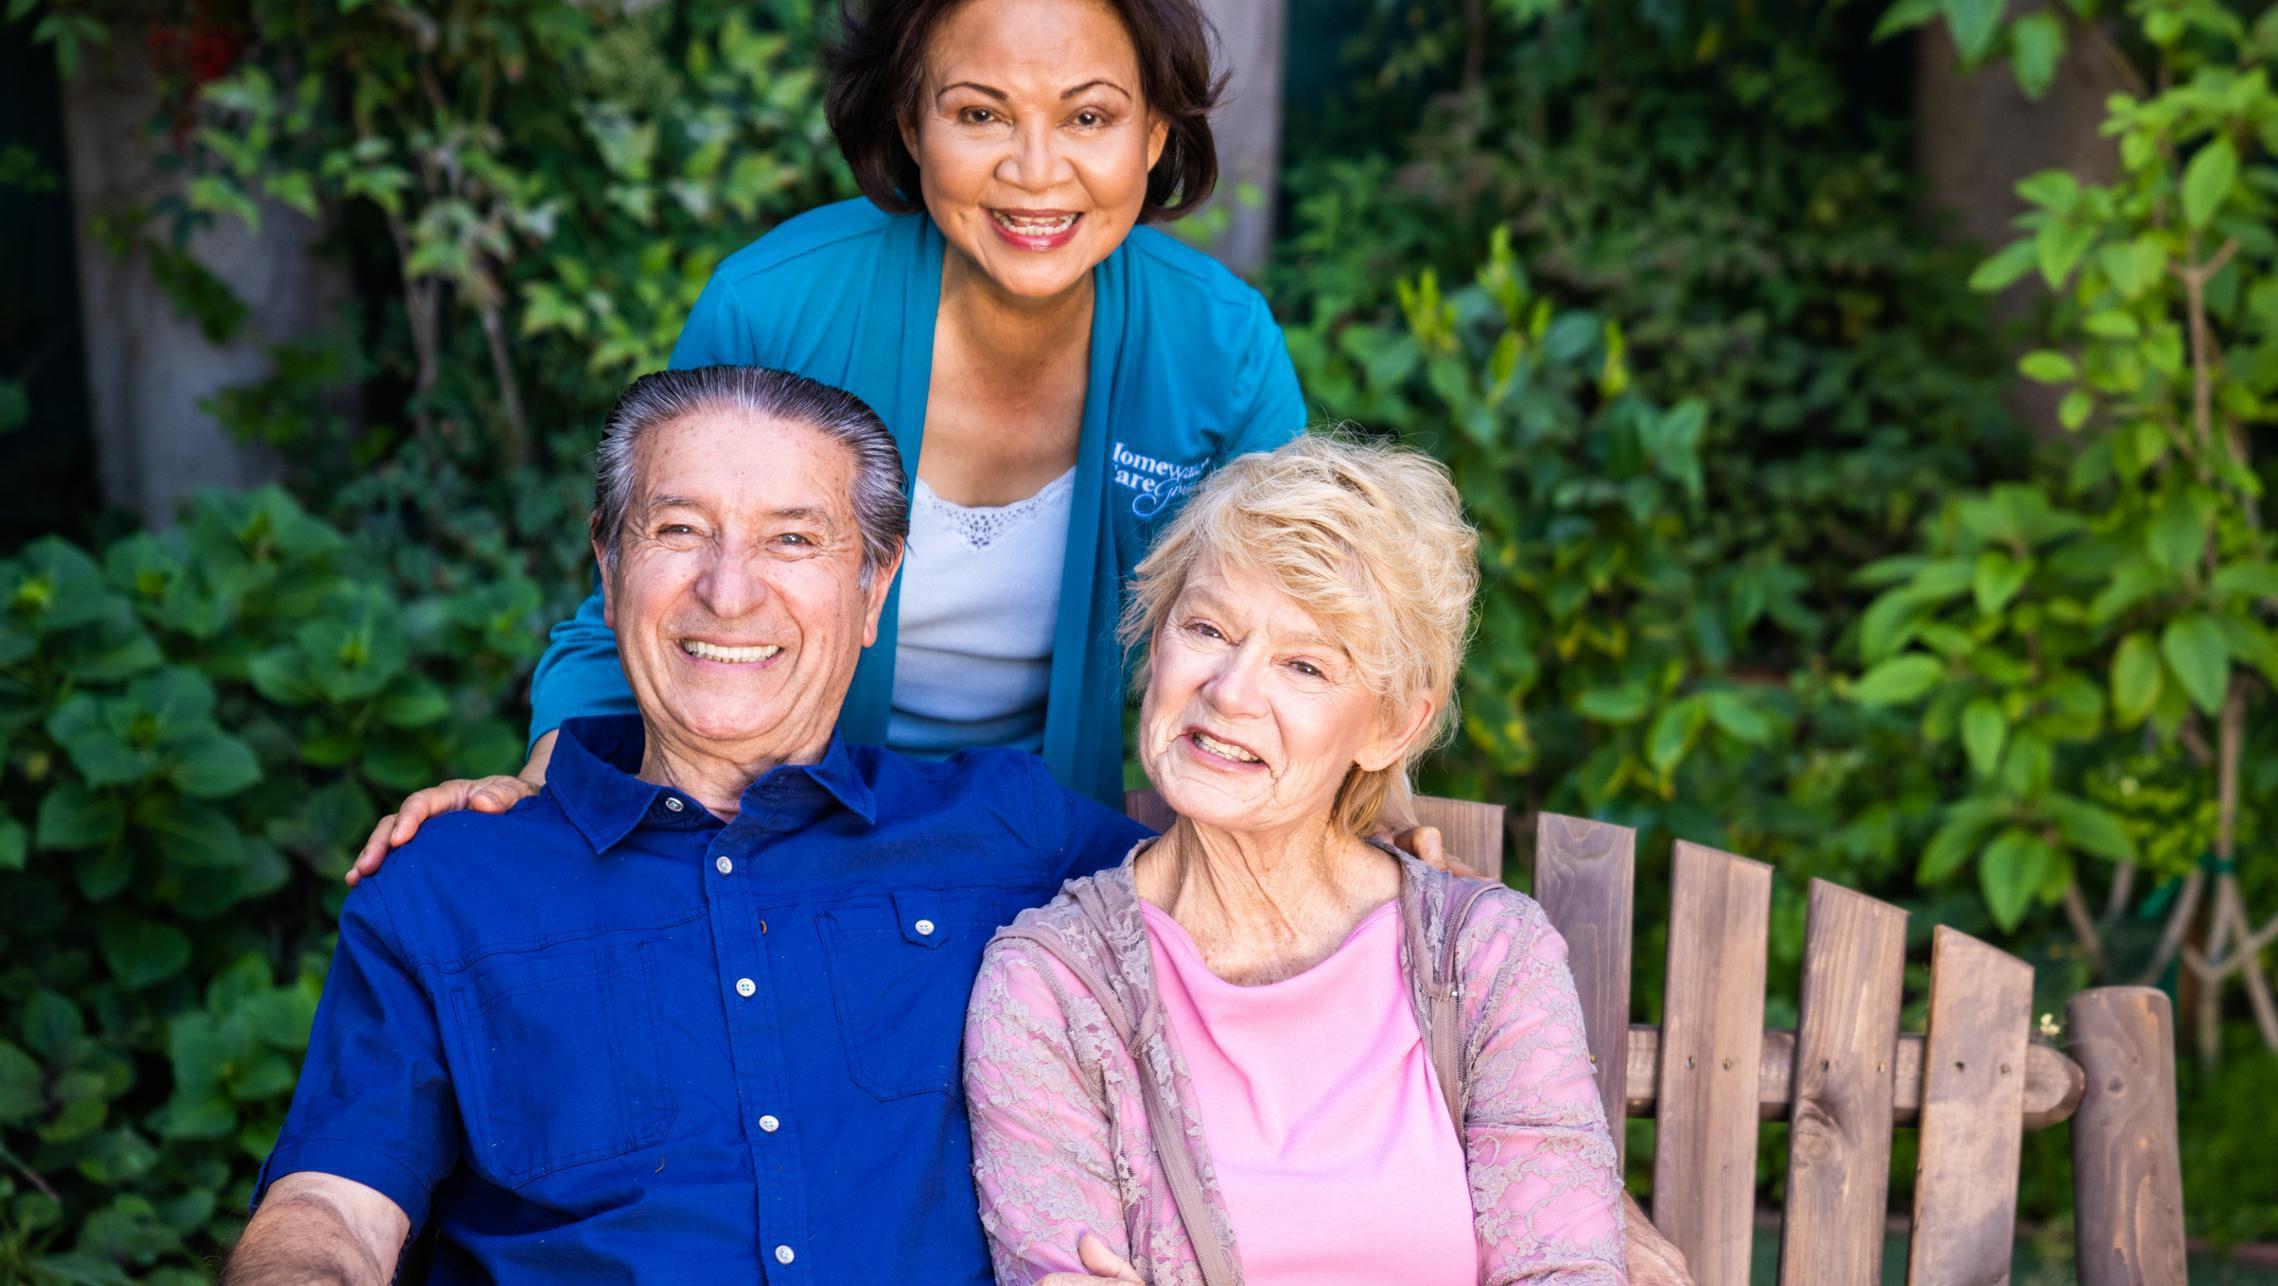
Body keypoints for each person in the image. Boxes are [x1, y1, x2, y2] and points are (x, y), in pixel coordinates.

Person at [225, 367, 1150, 1283]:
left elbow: (1261, 909)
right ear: (610, 563)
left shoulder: (1009, 834)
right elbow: (331, 1208)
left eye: (793, 539)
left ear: (874, 590)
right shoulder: (451, 882)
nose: (730, 590)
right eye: (679, 530)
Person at [345, 0, 1302, 876]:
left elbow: (1308, 624)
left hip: (1052, 850)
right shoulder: (776, 305)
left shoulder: (1220, 346)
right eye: (980, 114)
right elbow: (643, 597)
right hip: (771, 839)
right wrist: (548, 788)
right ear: (909, 124)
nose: (1036, 169)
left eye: (1088, 118)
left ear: (1154, 134)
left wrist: (1359, 810)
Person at [962, 436, 1628, 1283]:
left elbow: (1566, 1268)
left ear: (1393, 727)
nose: (1231, 690)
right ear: (1156, 641)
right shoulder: (1050, 989)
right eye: (1207, 628)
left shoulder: (1488, 959)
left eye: (1304, 665)